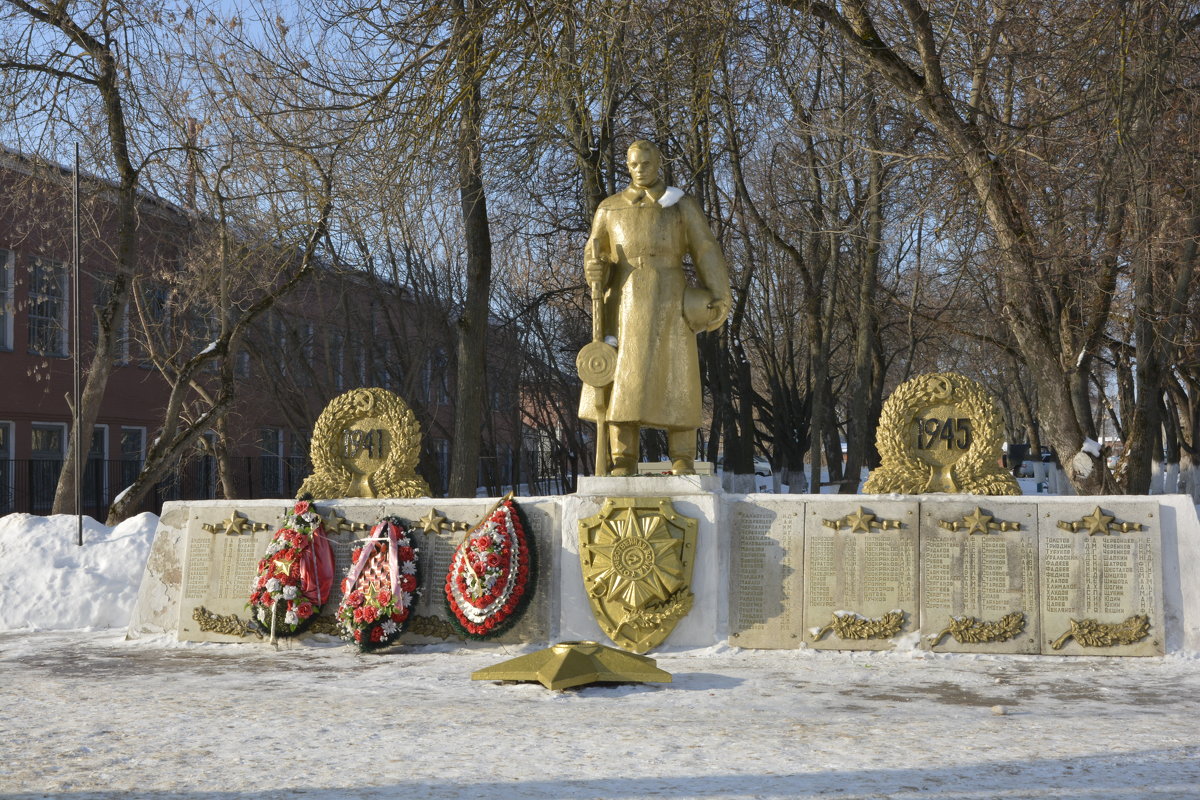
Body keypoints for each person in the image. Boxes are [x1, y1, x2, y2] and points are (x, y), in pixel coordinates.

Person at [579, 140, 731, 475]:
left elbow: (705, 248)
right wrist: (594, 270)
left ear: (658, 163)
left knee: (677, 374)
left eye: (646, 163)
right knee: (622, 379)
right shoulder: (609, 208)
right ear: (628, 166)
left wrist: (721, 293)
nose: (640, 170)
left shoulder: (679, 205)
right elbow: (596, 255)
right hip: (623, 303)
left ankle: (682, 455)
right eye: (634, 164)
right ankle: (623, 457)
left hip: (669, 298)